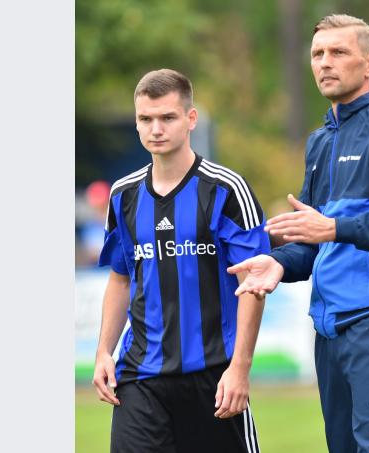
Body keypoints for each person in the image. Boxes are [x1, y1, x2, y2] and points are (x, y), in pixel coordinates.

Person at [229, 14, 369, 453]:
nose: (325, 63)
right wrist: (279, 262)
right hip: (331, 329)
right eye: (317, 54)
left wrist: (335, 226)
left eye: (338, 52)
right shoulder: (320, 142)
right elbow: (314, 243)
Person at [93, 68, 269, 453]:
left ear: (190, 119)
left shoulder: (226, 189)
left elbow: (253, 285)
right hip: (140, 378)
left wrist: (239, 368)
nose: (156, 128)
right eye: (145, 119)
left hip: (213, 378)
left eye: (167, 117)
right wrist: (104, 352)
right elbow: (121, 279)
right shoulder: (123, 196)